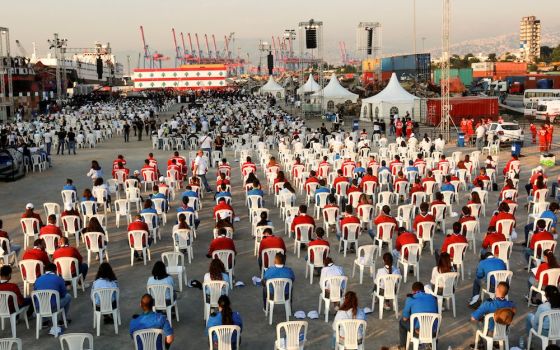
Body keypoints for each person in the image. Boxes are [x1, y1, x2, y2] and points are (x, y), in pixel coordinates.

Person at [399, 282, 438, 349]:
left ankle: (403, 347)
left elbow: (405, 318)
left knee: (402, 322)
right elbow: (436, 314)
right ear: (424, 290)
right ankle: (432, 344)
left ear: (413, 291)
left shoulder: (411, 299)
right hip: (432, 332)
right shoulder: (432, 298)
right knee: (433, 321)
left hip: (418, 332)